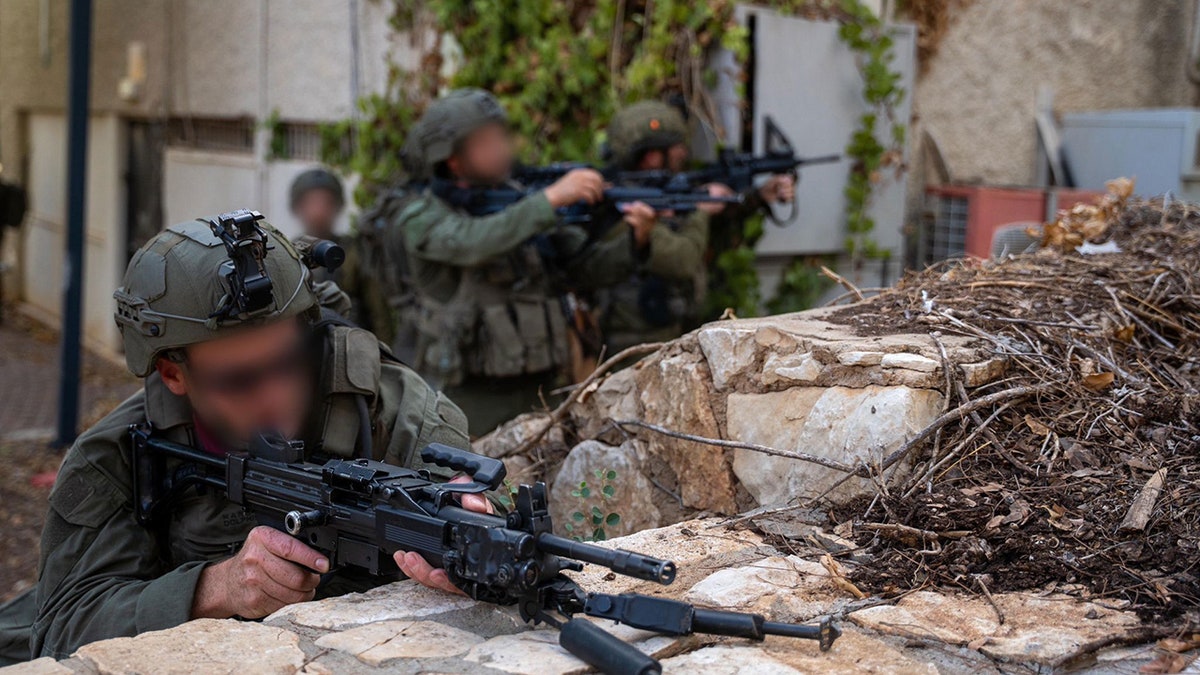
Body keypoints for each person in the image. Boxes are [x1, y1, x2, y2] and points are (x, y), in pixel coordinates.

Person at [0, 210, 485, 664]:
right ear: (173, 374)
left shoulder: (392, 409)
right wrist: (216, 588)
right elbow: (61, 626)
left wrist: (468, 541)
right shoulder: (116, 456)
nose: (274, 395)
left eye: (289, 362)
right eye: (239, 380)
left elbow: (466, 507)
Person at [385, 88, 637, 436]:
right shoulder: (424, 216)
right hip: (466, 405)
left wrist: (637, 237)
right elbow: (474, 241)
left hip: (542, 393)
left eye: (501, 137)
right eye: (485, 142)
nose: (502, 149)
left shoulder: (522, 205)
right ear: (453, 159)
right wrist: (549, 201)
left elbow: (587, 268)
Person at [591, 101, 714, 353]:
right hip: (630, 350)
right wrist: (701, 211)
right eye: (675, 147)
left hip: (651, 341)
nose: (682, 153)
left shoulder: (641, 194)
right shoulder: (619, 206)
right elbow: (682, 259)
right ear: (651, 156)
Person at [289, 168, 394, 345]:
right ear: (298, 207)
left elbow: (379, 316)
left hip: (352, 354)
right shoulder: (286, 255)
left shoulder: (354, 253)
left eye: (325, 203)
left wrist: (382, 358)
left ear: (337, 206)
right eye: (311, 203)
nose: (318, 211)